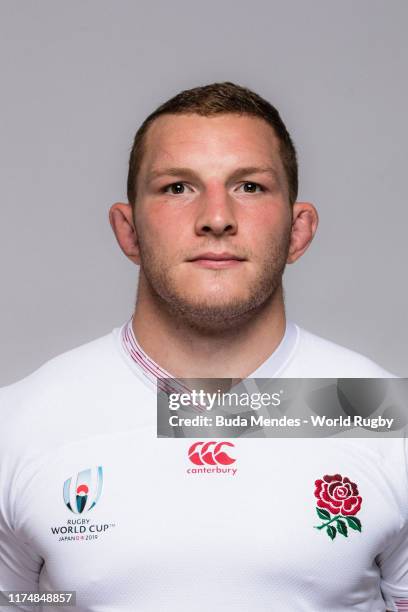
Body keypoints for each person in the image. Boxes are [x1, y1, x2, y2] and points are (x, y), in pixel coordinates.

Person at [0, 82, 406, 611]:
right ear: (129, 231)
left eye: (250, 187)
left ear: (297, 231)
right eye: (177, 187)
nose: (216, 218)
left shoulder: (385, 419)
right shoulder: (17, 424)